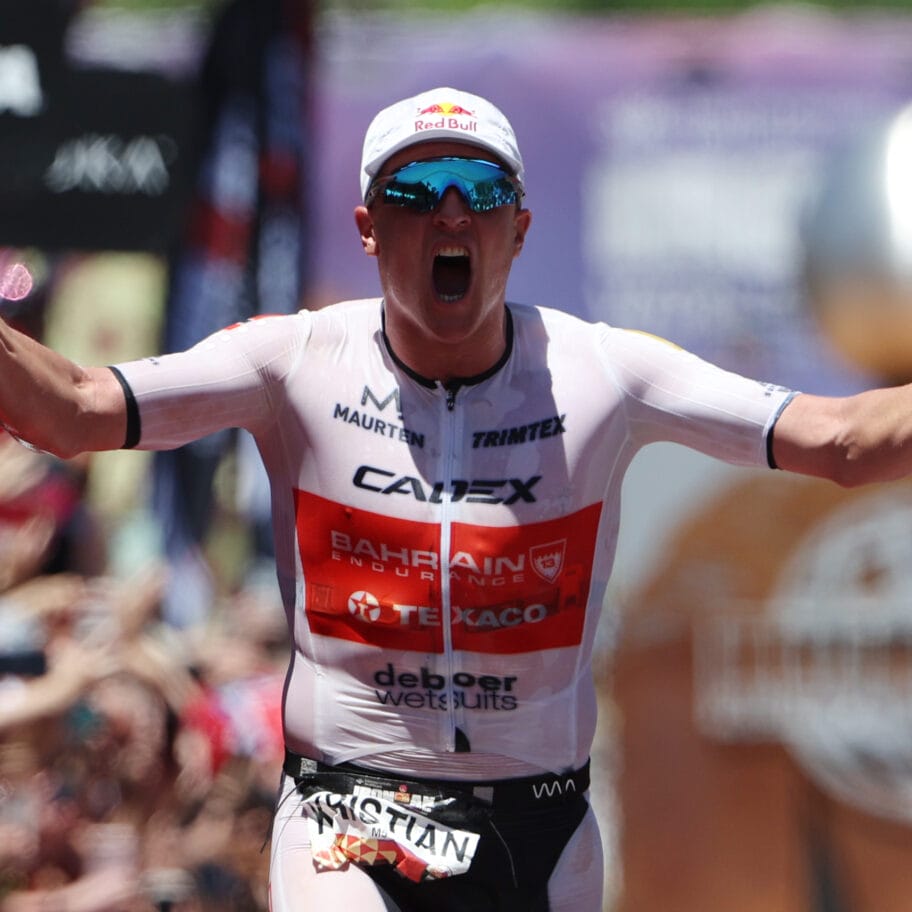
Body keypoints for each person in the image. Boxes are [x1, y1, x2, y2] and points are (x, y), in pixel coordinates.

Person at [0, 85, 910, 912]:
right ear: (367, 227)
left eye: (477, 190)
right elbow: (75, 411)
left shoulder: (605, 371)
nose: (449, 212)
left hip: (541, 832)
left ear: (517, 226)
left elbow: (840, 440)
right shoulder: (293, 361)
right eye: (414, 191)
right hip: (350, 818)